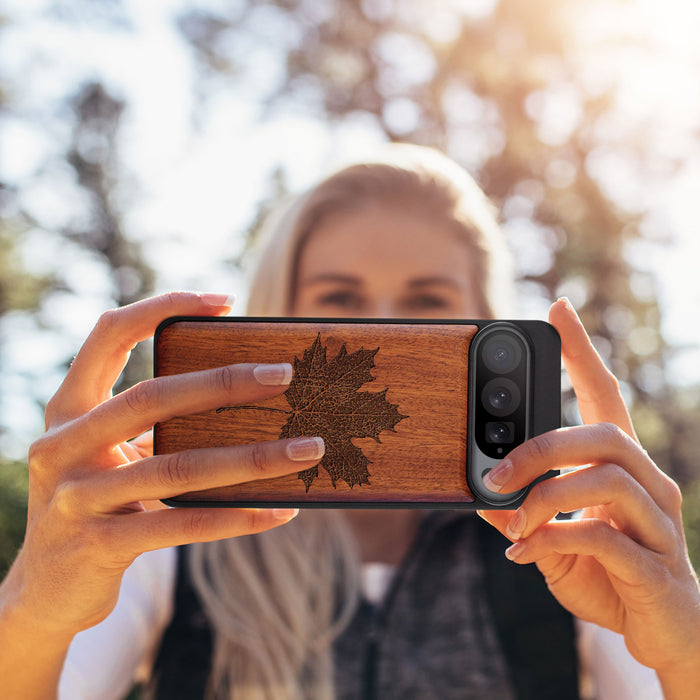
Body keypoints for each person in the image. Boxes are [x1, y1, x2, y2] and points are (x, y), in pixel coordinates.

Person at [0, 145, 698, 700]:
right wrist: (34, 608)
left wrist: (685, 648)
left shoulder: (566, 544)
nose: (384, 328)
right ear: (280, 313)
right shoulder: (172, 536)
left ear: (487, 323)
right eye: (340, 299)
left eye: (428, 302)